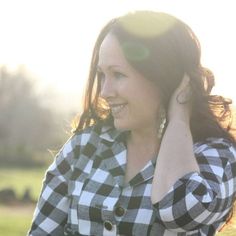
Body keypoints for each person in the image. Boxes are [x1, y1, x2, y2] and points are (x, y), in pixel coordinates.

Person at [28, 11, 236, 236]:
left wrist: (178, 114)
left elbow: (179, 212)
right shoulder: (83, 147)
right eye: (101, 76)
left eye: (117, 75)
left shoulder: (215, 156)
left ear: (162, 76)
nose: (105, 92)